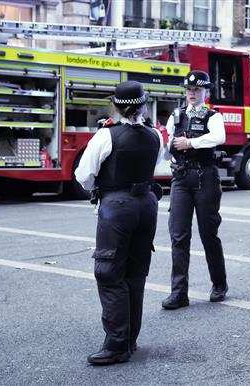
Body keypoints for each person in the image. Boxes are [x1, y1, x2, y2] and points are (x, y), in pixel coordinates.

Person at [75, 81, 165, 365]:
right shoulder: (155, 135)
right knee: (135, 274)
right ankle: (130, 340)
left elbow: (84, 175)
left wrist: (103, 189)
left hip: (117, 207)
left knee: (109, 273)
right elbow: (158, 165)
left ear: (116, 106)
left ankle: (116, 345)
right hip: (147, 205)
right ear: (142, 105)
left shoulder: (106, 135)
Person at [161, 70, 228, 310]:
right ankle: (179, 293)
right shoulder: (176, 116)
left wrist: (191, 143)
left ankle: (219, 284)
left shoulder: (213, 116)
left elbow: (219, 137)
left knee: (208, 233)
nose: (192, 93)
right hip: (180, 178)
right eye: (189, 90)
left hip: (205, 177)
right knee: (178, 236)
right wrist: (170, 147)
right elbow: (168, 146)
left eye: (197, 89)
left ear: (206, 92)